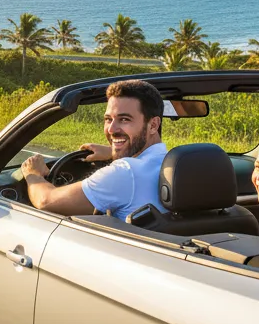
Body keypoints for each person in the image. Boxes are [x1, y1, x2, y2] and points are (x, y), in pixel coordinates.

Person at [22, 79, 168, 220]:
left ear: (153, 125)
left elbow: (46, 201)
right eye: (108, 119)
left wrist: (33, 175)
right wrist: (111, 152)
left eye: (124, 119)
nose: (111, 129)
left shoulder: (125, 173)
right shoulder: (172, 163)